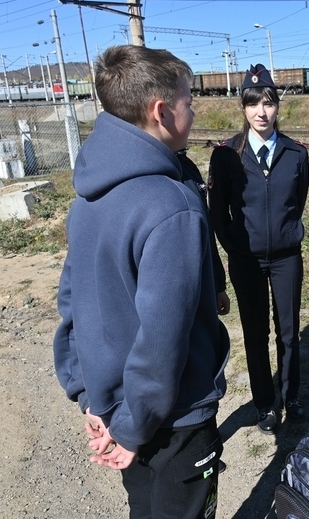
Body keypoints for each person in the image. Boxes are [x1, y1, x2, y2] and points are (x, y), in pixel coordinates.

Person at [53, 45, 230, 519]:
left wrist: (89, 398)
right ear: (160, 111)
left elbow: (72, 303)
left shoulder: (86, 197)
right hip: (173, 419)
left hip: (117, 410)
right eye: (188, 101)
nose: (192, 110)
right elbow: (163, 341)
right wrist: (132, 429)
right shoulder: (171, 205)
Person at [209, 63, 309, 434]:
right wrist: (235, 243)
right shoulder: (226, 155)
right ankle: (265, 403)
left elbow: (296, 202)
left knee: (288, 331)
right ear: (244, 108)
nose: (261, 112)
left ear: (277, 106)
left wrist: (284, 233)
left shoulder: (296, 154)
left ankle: (291, 395)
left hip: (286, 258)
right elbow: (217, 212)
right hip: (246, 260)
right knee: (255, 333)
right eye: (253, 104)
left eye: (267, 103)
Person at [176, 149, 230, 316]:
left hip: (202, 289)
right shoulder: (155, 171)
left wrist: (218, 285)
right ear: (160, 120)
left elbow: (206, 233)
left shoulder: (186, 165)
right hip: (178, 295)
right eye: (189, 119)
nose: (192, 121)